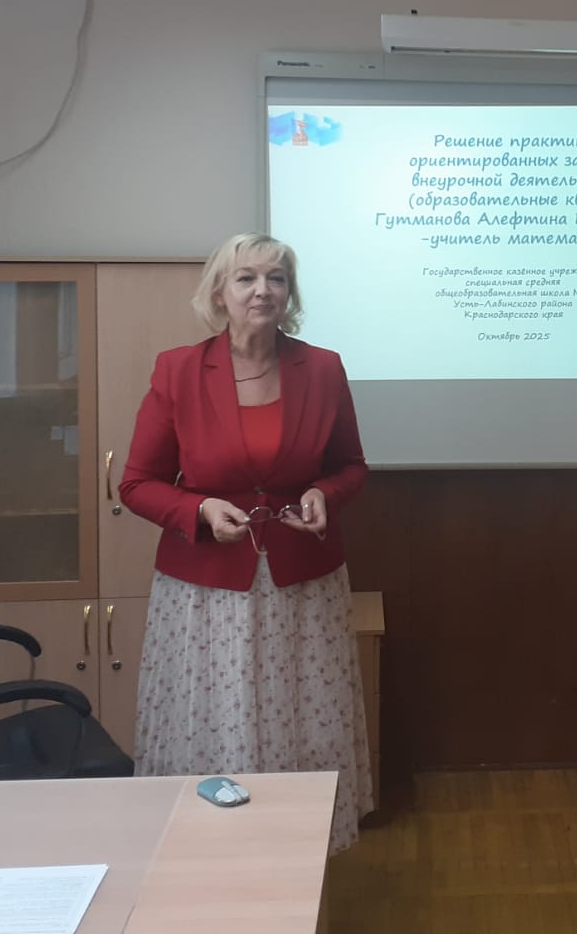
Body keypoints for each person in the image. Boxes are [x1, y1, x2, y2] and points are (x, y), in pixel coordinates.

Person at [118, 232, 372, 853]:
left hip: (303, 585)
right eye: (247, 278)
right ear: (219, 293)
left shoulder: (323, 368)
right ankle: (206, 853)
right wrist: (199, 508)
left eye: (276, 278)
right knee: (214, 723)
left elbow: (350, 467)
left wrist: (324, 495)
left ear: (290, 292)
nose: (263, 290)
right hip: (206, 592)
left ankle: (296, 852)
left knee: (301, 719)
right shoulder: (178, 370)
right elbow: (137, 484)